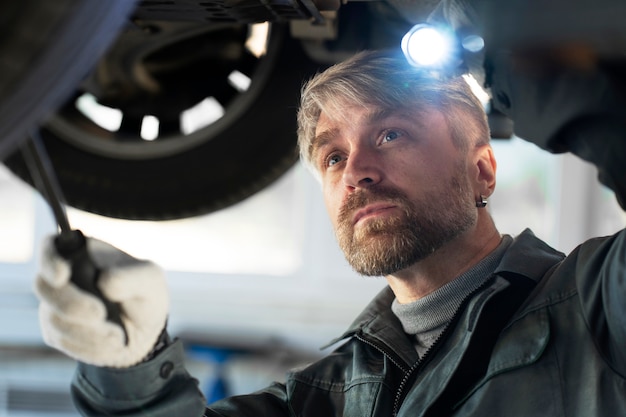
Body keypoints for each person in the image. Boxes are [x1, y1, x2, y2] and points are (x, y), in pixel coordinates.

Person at [34, 49, 626, 416]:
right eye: (333, 157)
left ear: (482, 168)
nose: (358, 172)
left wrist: (549, 65)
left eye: (392, 134)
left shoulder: (599, 303)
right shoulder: (326, 397)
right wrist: (132, 364)